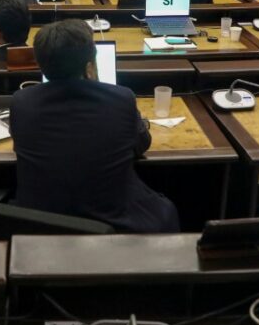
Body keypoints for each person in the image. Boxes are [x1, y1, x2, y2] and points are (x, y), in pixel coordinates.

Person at [10, 19, 180, 233]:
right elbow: (141, 144)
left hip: (41, 228)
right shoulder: (121, 99)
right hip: (115, 224)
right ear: (89, 67)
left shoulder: (21, 102)